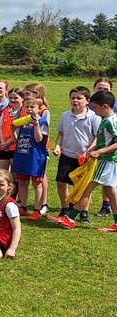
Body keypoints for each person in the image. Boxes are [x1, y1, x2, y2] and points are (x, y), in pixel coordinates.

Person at [57, 90, 117, 230]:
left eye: (95, 107)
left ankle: (70, 218)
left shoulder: (111, 121)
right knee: (111, 192)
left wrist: (99, 152)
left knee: (87, 188)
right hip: (106, 160)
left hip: (107, 161)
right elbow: (105, 141)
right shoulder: (106, 120)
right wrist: (91, 150)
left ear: (105, 106)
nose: (93, 110)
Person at [52, 87, 100, 217]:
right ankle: (65, 208)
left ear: (87, 101)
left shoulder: (93, 117)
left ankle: (84, 211)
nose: (75, 101)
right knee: (61, 182)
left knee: (83, 186)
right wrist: (57, 146)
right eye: (73, 98)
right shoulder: (65, 115)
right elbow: (61, 133)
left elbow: (97, 137)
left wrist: (88, 152)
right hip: (67, 155)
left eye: (79, 98)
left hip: (85, 158)